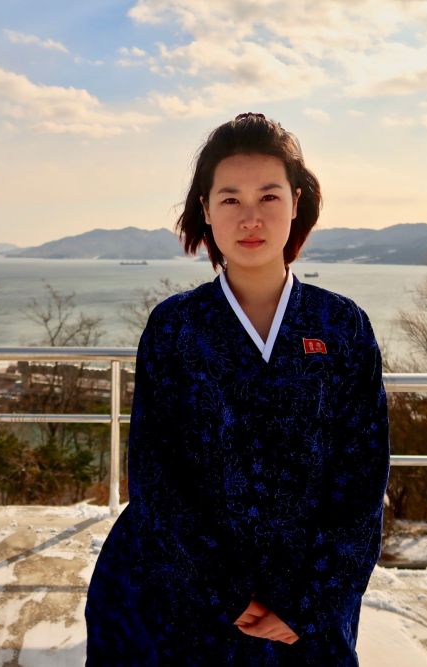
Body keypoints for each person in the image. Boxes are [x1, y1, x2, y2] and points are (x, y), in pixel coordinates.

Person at [84, 112, 391, 665]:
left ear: (296, 203)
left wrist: (312, 602)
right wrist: (222, 592)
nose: (251, 218)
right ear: (205, 209)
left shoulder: (341, 326)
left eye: (268, 196)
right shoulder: (175, 327)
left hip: (304, 607)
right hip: (178, 597)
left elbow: (363, 479)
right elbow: (155, 474)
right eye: (230, 199)